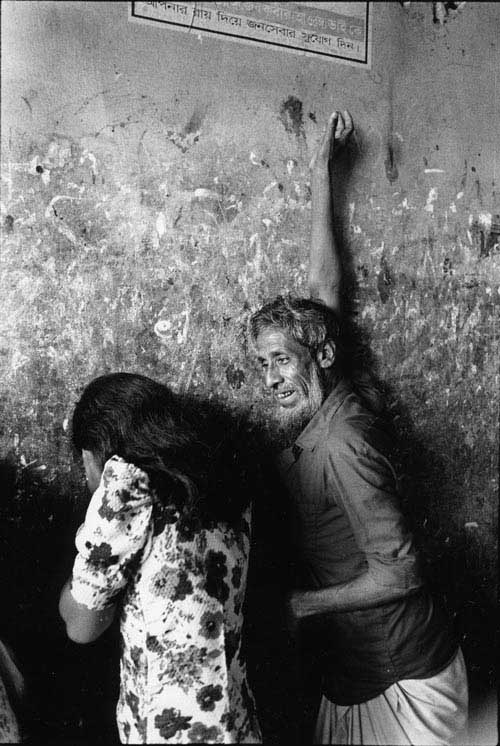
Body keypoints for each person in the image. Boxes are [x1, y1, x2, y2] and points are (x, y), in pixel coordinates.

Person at [249, 111, 469, 745]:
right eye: (262, 364)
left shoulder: (343, 439)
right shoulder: (327, 390)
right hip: (359, 664)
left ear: (319, 355)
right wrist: (322, 172)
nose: (271, 379)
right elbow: (323, 285)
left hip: (399, 670)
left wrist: (301, 605)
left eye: (280, 360)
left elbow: (402, 572)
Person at [59, 372, 262, 744]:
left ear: (93, 452)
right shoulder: (222, 481)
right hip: (234, 721)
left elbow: (82, 628)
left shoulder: (125, 489)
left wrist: (81, 570)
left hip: (169, 730)